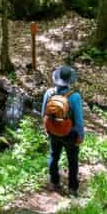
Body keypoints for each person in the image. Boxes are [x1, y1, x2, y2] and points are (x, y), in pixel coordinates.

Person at [41, 65, 84, 195]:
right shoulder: (75, 96)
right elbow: (79, 120)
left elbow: (43, 114)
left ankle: (54, 183)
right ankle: (72, 188)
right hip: (69, 133)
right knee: (72, 160)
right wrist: (80, 136)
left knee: (54, 156)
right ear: (70, 80)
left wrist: (47, 128)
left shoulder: (49, 93)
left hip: (53, 130)